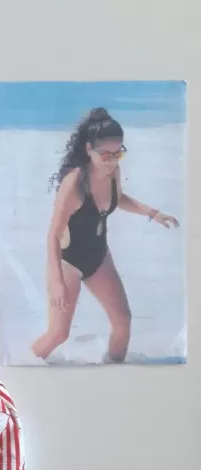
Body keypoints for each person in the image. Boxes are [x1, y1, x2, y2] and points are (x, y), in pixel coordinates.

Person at [31, 107, 179, 363]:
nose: (112, 161)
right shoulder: (75, 183)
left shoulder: (113, 173)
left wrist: (153, 213)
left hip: (99, 257)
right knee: (59, 334)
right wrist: (56, 282)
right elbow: (53, 234)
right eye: (106, 155)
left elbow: (117, 198)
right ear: (89, 149)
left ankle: (115, 372)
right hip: (69, 263)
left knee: (123, 321)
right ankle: (21, 364)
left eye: (118, 154)